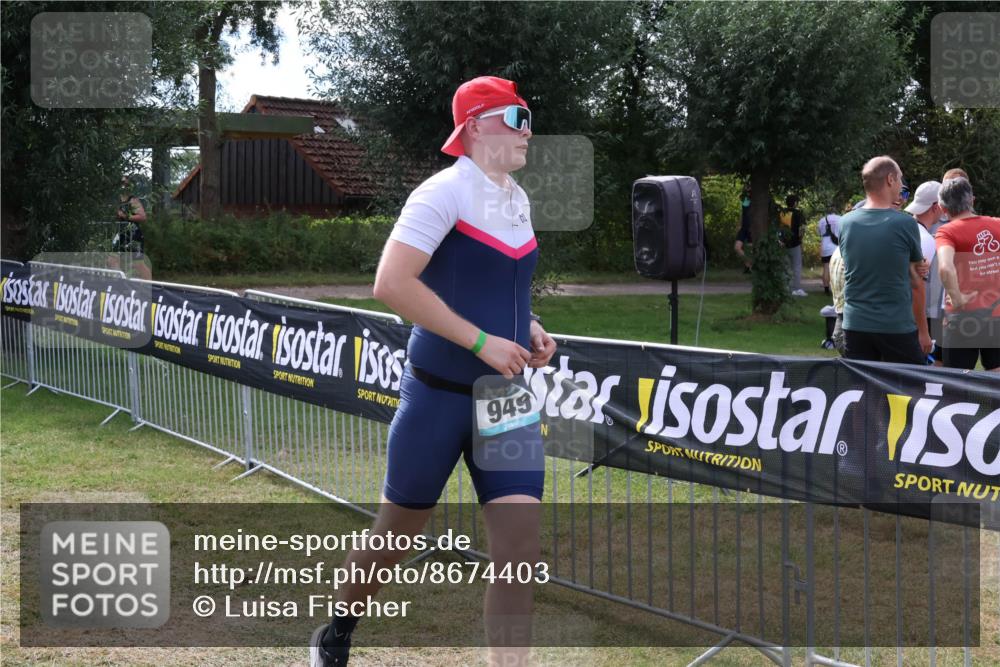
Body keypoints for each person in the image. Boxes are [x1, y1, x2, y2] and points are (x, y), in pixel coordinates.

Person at [309, 76, 558, 667]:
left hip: (505, 400)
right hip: (438, 399)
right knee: (395, 537)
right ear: (475, 126)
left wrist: (528, 327)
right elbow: (391, 284)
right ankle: (337, 633)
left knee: (519, 549)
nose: (529, 130)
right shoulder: (440, 193)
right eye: (517, 117)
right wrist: (481, 342)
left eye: (529, 116)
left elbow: (493, 283)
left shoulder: (515, 198)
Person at [838, 156, 928, 364]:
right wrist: (923, 331)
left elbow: (859, 264)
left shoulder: (846, 223)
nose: (901, 186)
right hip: (895, 325)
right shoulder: (905, 223)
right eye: (900, 179)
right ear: (890, 179)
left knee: (862, 390)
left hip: (855, 325)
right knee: (911, 389)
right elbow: (915, 280)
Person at [934, 177, 1000, 371]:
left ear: (942, 207)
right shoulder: (997, 224)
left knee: (957, 381)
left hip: (962, 318)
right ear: (972, 200)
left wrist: (957, 298)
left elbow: (945, 267)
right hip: (996, 315)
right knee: (997, 375)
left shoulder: (947, 231)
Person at [905, 180, 945, 364]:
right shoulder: (925, 240)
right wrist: (923, 332)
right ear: (936, 207)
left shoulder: (904, 228)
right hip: (906, 322)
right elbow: (916, 287)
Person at [110, 175, 151, 280]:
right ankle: (121, 284)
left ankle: (150, 288)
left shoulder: (132, 200)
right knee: (111, 260)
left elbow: (142, 216)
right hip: (120, 233)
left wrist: (126, 216)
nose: (124, 186)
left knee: (138, 264)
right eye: (122, 184)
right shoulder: (117, 200)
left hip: (133, 234)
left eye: (126, 184)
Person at [779, 194, 806, 296]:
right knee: (797, 266)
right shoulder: (798, 213)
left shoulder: (781, 213)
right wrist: (800, 239)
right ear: (795, 203)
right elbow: (802, 228)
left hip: (782, 243)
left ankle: (785, 288)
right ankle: (796, 289)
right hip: (795, 243)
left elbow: (778, 228)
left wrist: (779, 240)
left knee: (785, 266)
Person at [817, 205, 841, 296]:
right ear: (836, 211)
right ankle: (837, 289)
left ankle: (826, 289)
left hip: (825, 247)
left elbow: (819, 233)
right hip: (836, 247)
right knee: (837, 268)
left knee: (826, 267)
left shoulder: (822, 220)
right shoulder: (840, 218)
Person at [734, 185, 753, 273]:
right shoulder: (745, 200)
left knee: (750, 249)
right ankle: (749, 263)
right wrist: (739, 224)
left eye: (748, 188)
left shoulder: (756, 200)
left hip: (752, 228)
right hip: (744, 227)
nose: (747, 190)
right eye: (746, 189)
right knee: (737, 247)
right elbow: (743, 213)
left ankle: (748, 268)